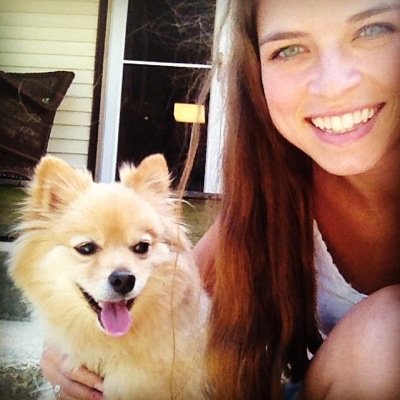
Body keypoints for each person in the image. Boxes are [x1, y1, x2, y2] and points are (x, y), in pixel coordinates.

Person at [40, 0, 400, 399]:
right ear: (254, 72)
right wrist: (71, 351)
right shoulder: (272, 200)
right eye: (289, 49)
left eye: (373, 30)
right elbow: (173, 298)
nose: (333, 85)